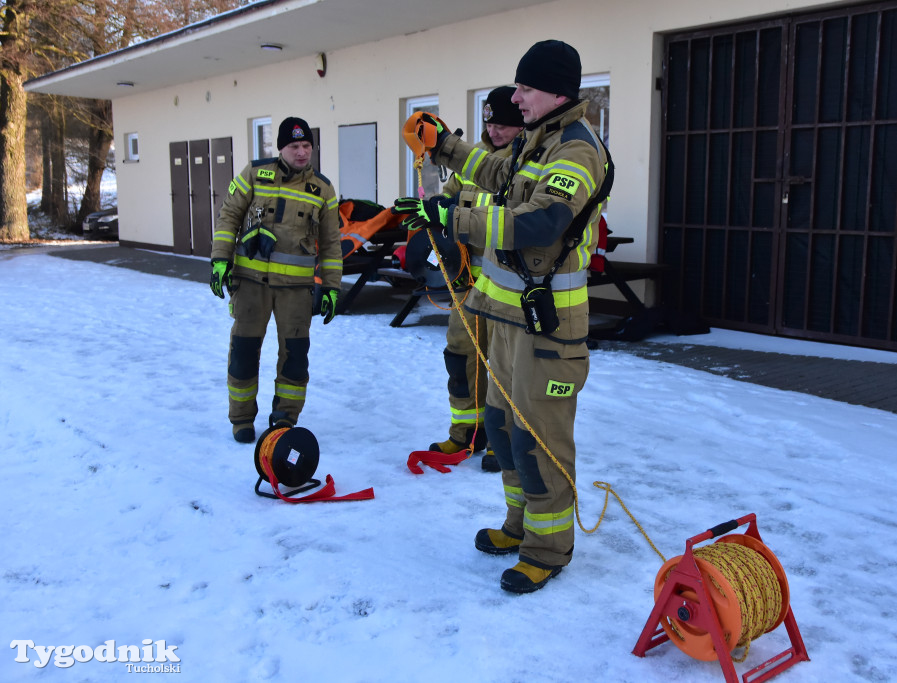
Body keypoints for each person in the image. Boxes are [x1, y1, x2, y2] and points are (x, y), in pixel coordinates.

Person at [395, 40, 610, 593]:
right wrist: (442, 145)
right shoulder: (536, 142)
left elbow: (541, 224)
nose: (516, 97)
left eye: (525, 88)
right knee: (503, 428)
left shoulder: (577, 150)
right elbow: (492, 172)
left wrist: (453, 217)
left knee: (540, 441)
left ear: (557, 91)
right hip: (509, 320)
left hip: (548, 332)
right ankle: (519, 525)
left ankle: (548, 547)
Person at [210, 116, 344, 443]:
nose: (301, 153)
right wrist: (219, 259)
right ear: (280, 148)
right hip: (250, 283)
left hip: (296, 292)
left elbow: (330, 244)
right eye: (294, 146)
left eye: (306, 146)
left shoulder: (322, 189)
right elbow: (229, 216)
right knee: (244, 350)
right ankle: (241, 418)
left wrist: (331, 287)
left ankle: (285, 417)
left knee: (295, 356)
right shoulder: (255, 174)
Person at [426, 86, 524, 472]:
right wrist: (432, 211)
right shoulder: (475, 158)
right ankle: (466, 430)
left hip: (505, 286)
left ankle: (502, 440)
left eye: (502, 124)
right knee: (460, 355)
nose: (494, 130)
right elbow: (449, 198)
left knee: (504, 366)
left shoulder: (522, 163)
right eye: (489, 122)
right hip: (466, 281)